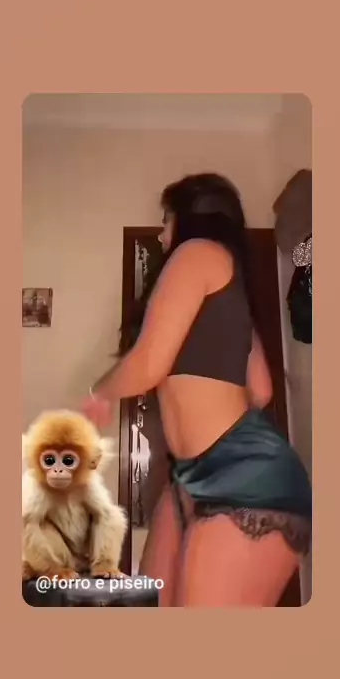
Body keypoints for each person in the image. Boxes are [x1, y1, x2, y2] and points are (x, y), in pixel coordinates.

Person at [82, 173, 312, 607]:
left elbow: (147, 365)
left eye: (166, 219)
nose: (161, 233)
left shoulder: (197, 252)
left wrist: (97, 393)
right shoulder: (228, 283)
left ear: (192, 217)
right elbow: (261, 390)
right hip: (196, 478)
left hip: (242, 480)